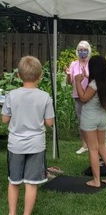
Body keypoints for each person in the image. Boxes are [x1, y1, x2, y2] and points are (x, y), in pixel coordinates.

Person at [1, 56, 55, 215]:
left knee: (14, 182)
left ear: (18, 75)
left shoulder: (11, 95)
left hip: (15, 145)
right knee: (31, 184)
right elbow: (50, 123)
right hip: (36, 146)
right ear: (40, 76)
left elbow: (4, 120)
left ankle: (12, 213)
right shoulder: (45, 97)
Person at [74, 55, 106, 187]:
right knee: (103, 147)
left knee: (93, 149)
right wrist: (87, 77)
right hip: (102, 117)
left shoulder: (94, 84)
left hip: (90, 119)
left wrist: (77, 81)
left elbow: (83, 98)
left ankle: (96, 180)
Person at [64, 40, 91, 154]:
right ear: (77, 51)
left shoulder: (92, 63)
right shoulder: (73, 64)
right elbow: (70, 82)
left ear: (88, 51)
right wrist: (68, 75)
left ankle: (95, 144)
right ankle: (84, 145)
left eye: (85, 50)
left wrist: (87, 76)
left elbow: (96, 79)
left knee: (92, 120)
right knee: (81, 121)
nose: (82, 52)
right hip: (77, 96)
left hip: (91, 95)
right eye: (80, 50)